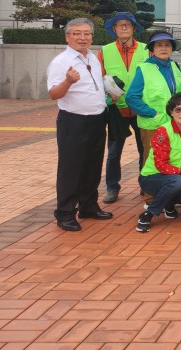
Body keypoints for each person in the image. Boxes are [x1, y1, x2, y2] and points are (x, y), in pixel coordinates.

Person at [47, 18, 112, 231]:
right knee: (71, 168)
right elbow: (53, 94)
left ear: (92, 36)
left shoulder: (93, 58)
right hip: (73, 121)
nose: (82, 37)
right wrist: (68, 81)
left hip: (96, 119)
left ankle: (89, 206)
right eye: (76, 33)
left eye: (86, 33)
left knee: (93, 166)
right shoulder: (61, 62)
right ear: (67, 37)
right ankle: (65, 213)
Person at [98, 11, 148, 204]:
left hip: (141, 108)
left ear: (134, 28)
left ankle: (145, 184)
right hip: (116, 109)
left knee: (145, 149)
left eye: (128, 24)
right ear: (114, 29)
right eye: (120, 25)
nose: (124, 27)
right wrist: (107, 94)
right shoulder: (105, 51)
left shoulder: (146, 50)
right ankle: (112, 187)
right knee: (113, 152)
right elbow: (99, 78)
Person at [136, 92, 181, 233]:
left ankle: (169, 205)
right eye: (178, 109)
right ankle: (148, 214)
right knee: (178, 181)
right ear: (171, 112)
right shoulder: (163, 131)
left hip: (176, 177)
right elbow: (160, 164)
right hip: (151, 177)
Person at [126, 31, 181, 167]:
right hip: (153, 124)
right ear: (152, 48)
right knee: (152, 161)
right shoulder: (144, 69)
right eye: (159, 45)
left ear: (172, 48)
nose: (163, 48)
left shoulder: (174, 66)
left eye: (167, 45)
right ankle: (147, 182)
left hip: (174, 122)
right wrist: (153, 114)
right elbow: (131, 97)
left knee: (173, 158)